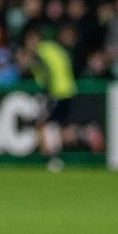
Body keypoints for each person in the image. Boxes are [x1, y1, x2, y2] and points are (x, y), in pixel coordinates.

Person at [22, 26, 75, 171]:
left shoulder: (42, 51)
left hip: (57, 91)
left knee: (48, 124)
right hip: (68, 89)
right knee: (55, 124)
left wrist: (48, 91)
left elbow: (46, 71)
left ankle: (54, 158)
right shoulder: (53, 48)